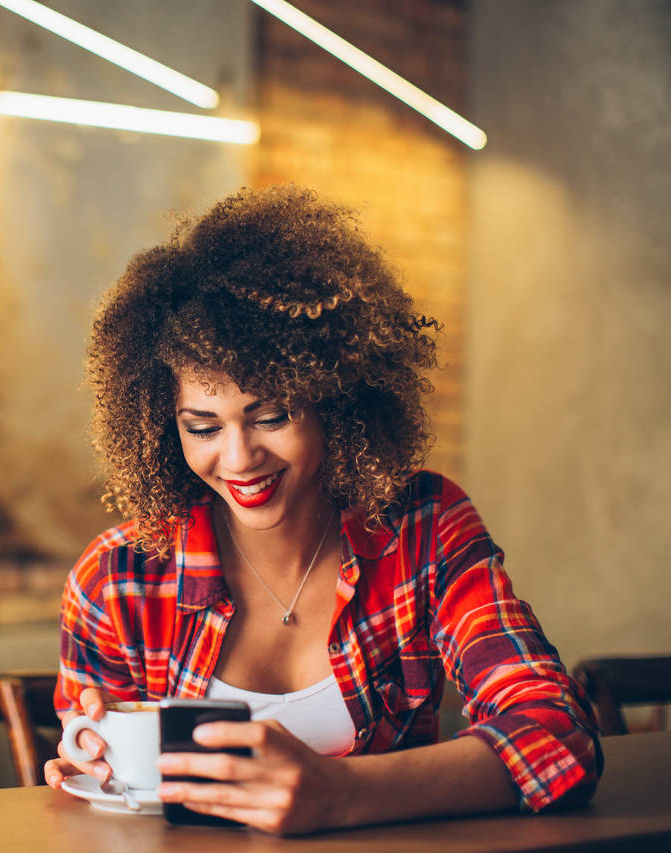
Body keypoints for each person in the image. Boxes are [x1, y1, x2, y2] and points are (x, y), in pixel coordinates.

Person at [44, 185, 602, 834]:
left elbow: (558, 739)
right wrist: (92, 761)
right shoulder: (117, 578)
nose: (239, 456)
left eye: (271, 415)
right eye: (202, 426)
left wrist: (340, 792)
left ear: (336, 397)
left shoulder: (422, 528)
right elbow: (97, 798)